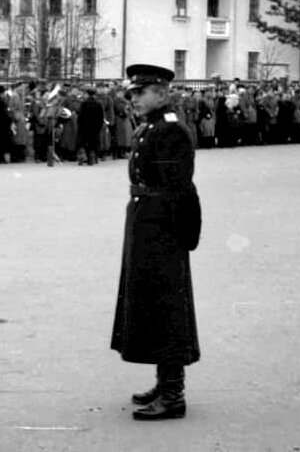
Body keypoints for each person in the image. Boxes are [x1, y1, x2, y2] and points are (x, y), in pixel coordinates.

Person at [111, 63, 202, 421]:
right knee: (149, 301)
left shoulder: (170, 131)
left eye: (140, 92)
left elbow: (180, 188)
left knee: (166, 305)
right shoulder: (151, 127)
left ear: (162, 93)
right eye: (131, 93)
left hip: (162, 225)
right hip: (145, 220)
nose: (133, 98)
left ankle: (173, 392)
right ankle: (164, 380)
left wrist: (182, 236)